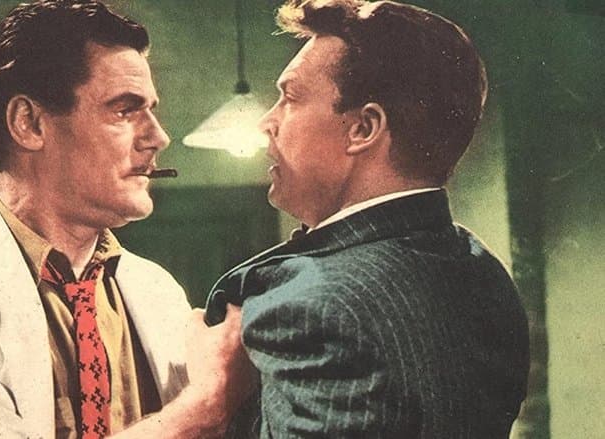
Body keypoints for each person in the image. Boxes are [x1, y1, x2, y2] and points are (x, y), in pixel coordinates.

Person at [0, 1, 252, 438]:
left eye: (151, 110)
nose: (158, 137)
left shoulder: (157, 290)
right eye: (125, 110)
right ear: (29, 123)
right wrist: (202, 409)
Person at [205, 0, 530, 437]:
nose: (267, 122)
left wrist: (202, 405)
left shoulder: (314, 308)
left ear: (363, 128)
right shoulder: (485, 272)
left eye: (290, 97)